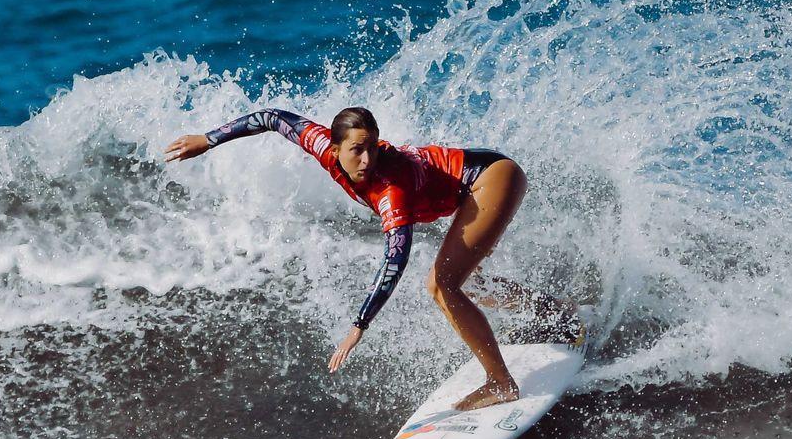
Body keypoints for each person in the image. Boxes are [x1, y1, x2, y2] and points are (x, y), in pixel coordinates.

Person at [165, 107, 569, 411]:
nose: (367, 160)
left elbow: (397, 256)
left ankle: (501, 384)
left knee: (441, 285)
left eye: (372, 148)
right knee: (465, 282)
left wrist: (360, 324)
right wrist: (209, 138)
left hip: (489, 177)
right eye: (357, 150)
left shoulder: (392, 187)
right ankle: (553, 313)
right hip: (471, 186)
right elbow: (272, 117)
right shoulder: (322, 145)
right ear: (334, 147)